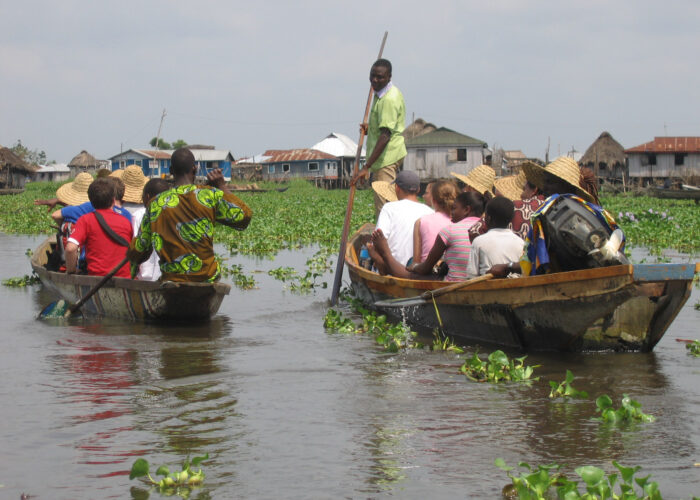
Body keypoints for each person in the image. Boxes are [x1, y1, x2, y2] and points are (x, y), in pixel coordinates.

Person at [127, 147, 253, 282]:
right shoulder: (210, 195)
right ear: (195, 169)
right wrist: (221, 185)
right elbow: (244, 216)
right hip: (207, 278)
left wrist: (132, 261)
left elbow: (138, 251)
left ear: (170, 171)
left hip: (172, 279)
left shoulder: (155, 203)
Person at [488, 156, 625, 278]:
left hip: (572, 281)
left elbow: (535, 261)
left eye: (550, 182)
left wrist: (508, 266)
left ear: (565, 185)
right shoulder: (588, 209)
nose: (545, 188)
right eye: (545, 182)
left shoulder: (558, 212)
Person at [371, 191, 484, 281]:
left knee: (412, 276)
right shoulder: (488, 228)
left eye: (454, 208)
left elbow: (425, 268)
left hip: (453, 283)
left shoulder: (449, 230)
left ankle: (386, 254)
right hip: (481, 282)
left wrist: (414, 267)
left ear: (466, 210)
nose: (451, 212)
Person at [351, 58, 407, 216]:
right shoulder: (379, 93)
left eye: (380, 77)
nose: (375, 80)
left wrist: (366, 167)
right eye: (372, 76)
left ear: (389, 77)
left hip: (386, 158)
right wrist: (370, 128)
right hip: (383, 157)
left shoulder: (389, 99)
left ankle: (388, 239)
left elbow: (385, 136)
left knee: (386, 207)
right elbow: (384, 126)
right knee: (386, 204)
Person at [64, 178, 132, 277]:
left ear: (90, 202)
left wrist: (71, 271)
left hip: (96, 279)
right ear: (113, 200)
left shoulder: (85, 220)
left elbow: (70, 249)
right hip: (125, 278)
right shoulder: (126, 222)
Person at [368, 170, 433, 274]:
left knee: (371, 249)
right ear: (418, 189)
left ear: (397, 188)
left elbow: (378, 239)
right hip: (420, 272)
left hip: (392, 269)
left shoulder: (389, 208)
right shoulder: (430, 211)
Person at [468, 170, 545, 242]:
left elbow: (475, 231)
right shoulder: (550, 208)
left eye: (524, 189)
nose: (521, 195)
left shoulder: (514, 207)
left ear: (534, 190)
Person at [465, 197, 524, 277]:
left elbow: (471, 276)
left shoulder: (478, 242)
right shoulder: (521, 242)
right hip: (516, 287)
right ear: (511, 219)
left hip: (487, 288)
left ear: (488, 218)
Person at [129, 178, 171, 281]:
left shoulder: (139, 215)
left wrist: (132, 274)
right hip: (167, 276)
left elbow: (136, 248)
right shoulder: (174, 214)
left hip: (144, 279)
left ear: (147, 197)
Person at [412, 179, 457, 263]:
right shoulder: (458, 221)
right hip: (451, 271)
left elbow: (416, 262)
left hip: (427, 272)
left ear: (433, 200)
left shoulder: (421, 221)